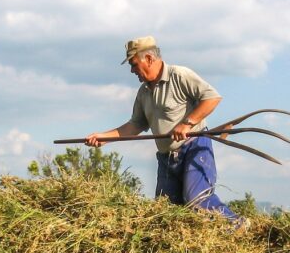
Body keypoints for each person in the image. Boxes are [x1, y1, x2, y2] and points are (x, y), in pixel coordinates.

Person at [85, 36, 241, 223]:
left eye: (134, 64)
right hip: (167, 158)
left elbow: (212, 98)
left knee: (197, 200)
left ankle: (237, 224)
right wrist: (104, 137)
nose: (132, 70)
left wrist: (187, 123)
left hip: (193, 147)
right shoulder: (143, 93)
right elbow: (135, 125)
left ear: (149, 59)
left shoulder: (180, 75)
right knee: (165, 213)